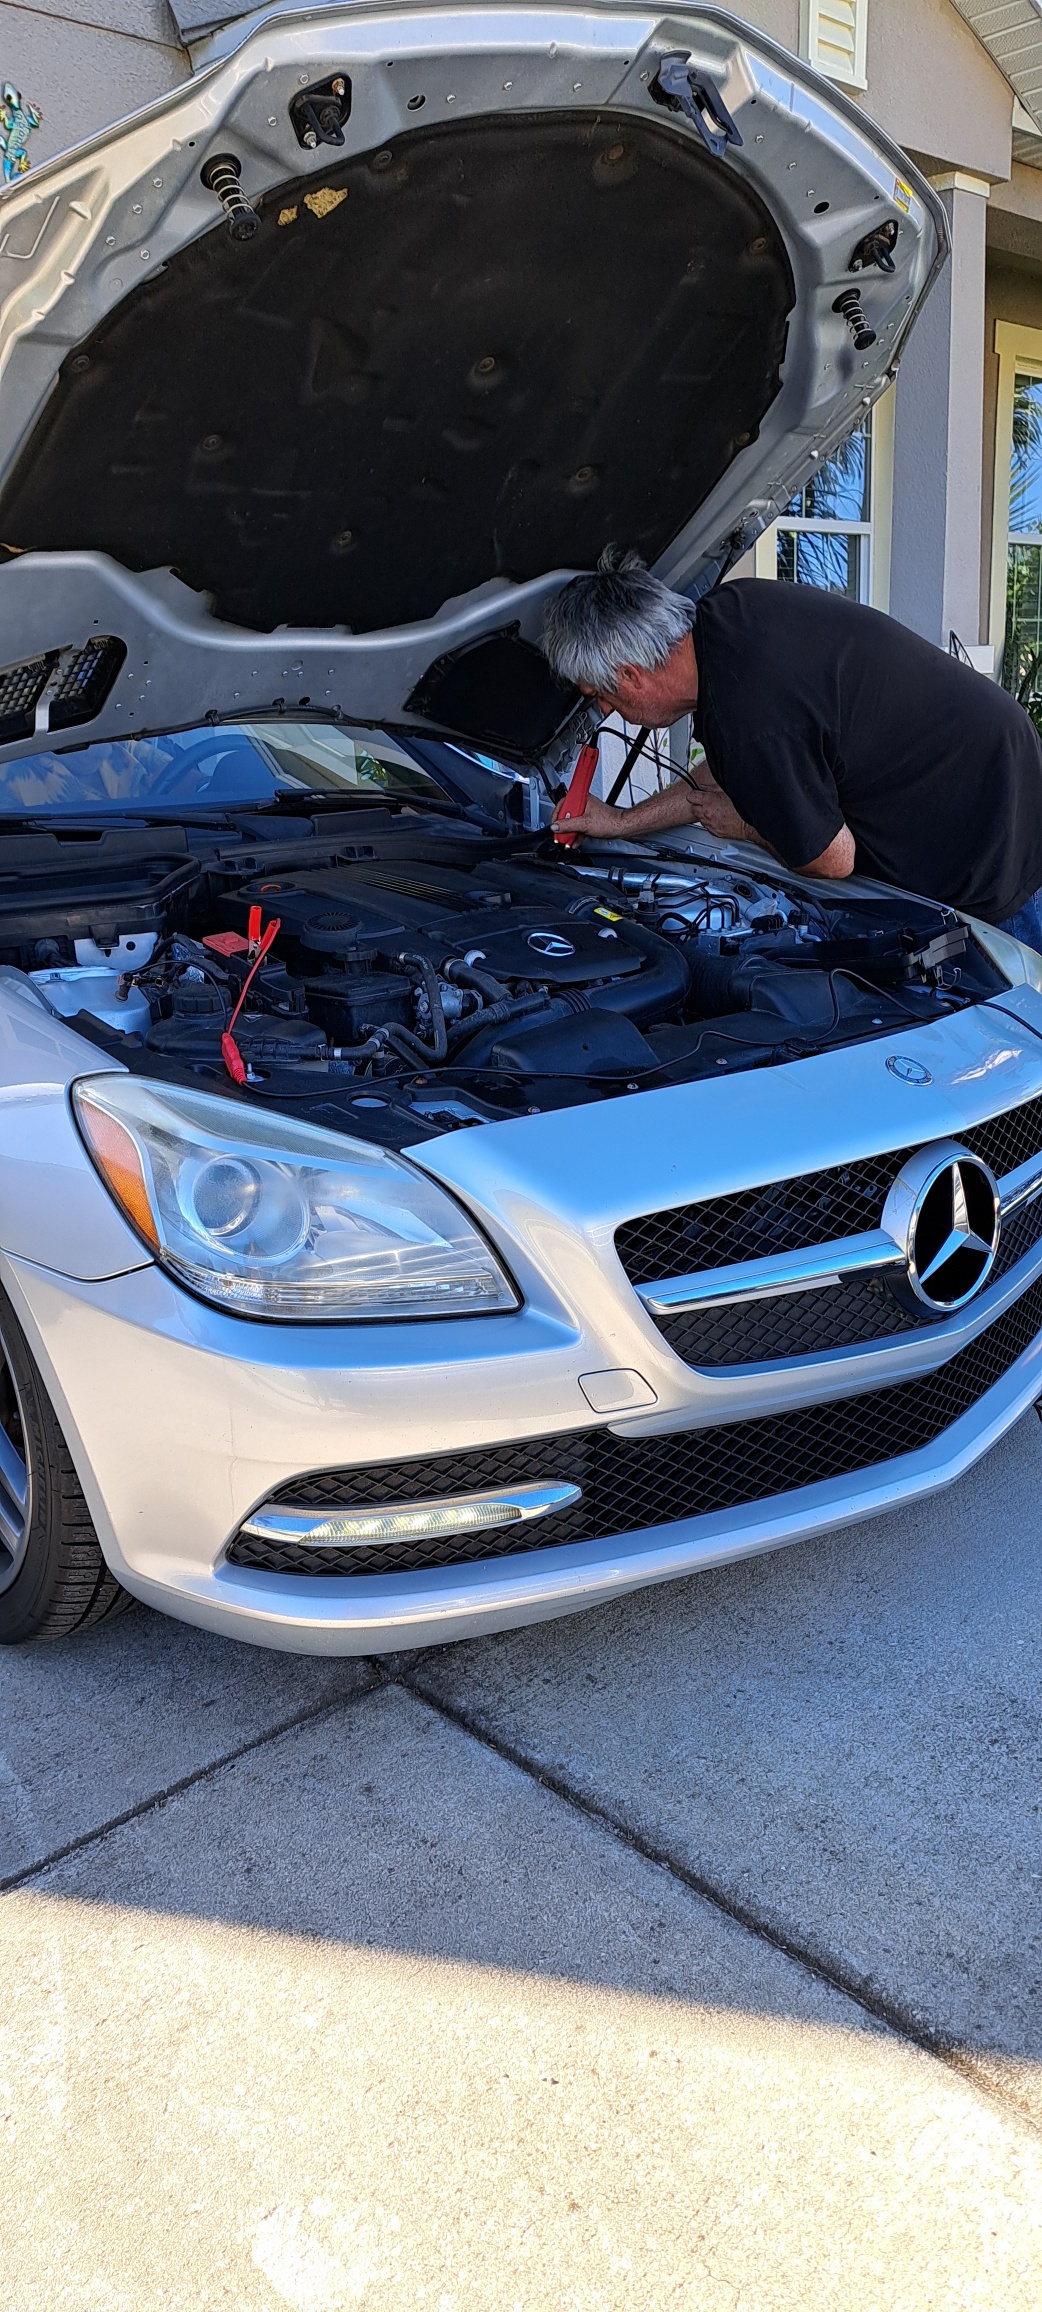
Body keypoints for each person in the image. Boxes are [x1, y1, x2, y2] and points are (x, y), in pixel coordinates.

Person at [541, 547, 1042, 952]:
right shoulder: (728, 617)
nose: (606, 710)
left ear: (631, 675)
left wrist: (743, 828)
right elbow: (733, 772)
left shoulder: (749, 715)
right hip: (1004, 764)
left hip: (992, 844)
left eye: (600, 694)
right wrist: (625, 823)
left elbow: (831, 859)